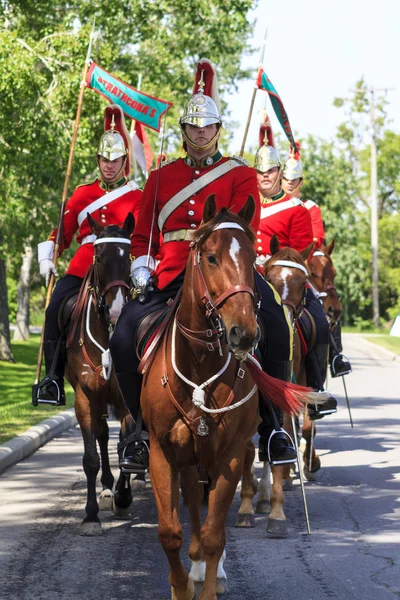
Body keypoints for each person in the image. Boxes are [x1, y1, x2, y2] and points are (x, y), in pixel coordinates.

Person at [110, 58, 297, 473]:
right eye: (192, 127)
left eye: (206, 127)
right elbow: (143, 235)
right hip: (172, 273)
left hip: (225, 273)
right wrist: (141, 264)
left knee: (278, 327)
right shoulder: (160, 179)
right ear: (184, 132)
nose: (199, 133)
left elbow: (244, 231)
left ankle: (272, 429)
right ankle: (139, 431)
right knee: (123, 337)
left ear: (216, 130)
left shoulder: (241, 174)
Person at [34, 105, 142, 405]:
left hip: (122, 267)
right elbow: (63, 234)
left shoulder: (136, 196)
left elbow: (143, 236)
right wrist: (48, 256)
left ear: (124, 161)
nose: (109, 166)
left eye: (115, 161)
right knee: (54, 309)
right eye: (104, 160)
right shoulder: (82, 194)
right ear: (98, 160)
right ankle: (52, 379)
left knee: (149, 311)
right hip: (84, 264)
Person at [253, 118, 337, 424]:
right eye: (260, 171)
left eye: (271, 171)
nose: (265, 176)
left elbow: (301, 253)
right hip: (248, 277)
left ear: (279, 174)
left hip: (284, 280)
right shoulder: (245, 204)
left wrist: (272, 263)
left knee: (319, 323)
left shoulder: (297, 210)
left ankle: (315, 391)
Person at [282, 147, 352, 378]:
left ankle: (334, 358)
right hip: (274, 265)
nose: (290, 184)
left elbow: (316, 239)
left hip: (304, 260)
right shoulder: (269, 204)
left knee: (322, 314)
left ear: (301, 182)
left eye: (294, 180)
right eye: (286, 179)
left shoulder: (310, 207)